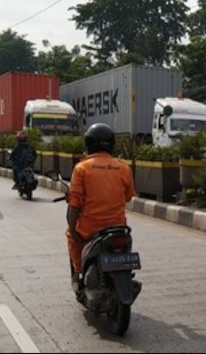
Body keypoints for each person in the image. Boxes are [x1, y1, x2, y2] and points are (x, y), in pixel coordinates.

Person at [65, 123, 136, 290]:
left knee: (70, 234)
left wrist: (73, 229)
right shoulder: (123, 168)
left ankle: (78, 273)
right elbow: (127, 197)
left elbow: (74, 205)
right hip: (118, 227)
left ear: (88, 144)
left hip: (91, 230)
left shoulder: (82, 168)